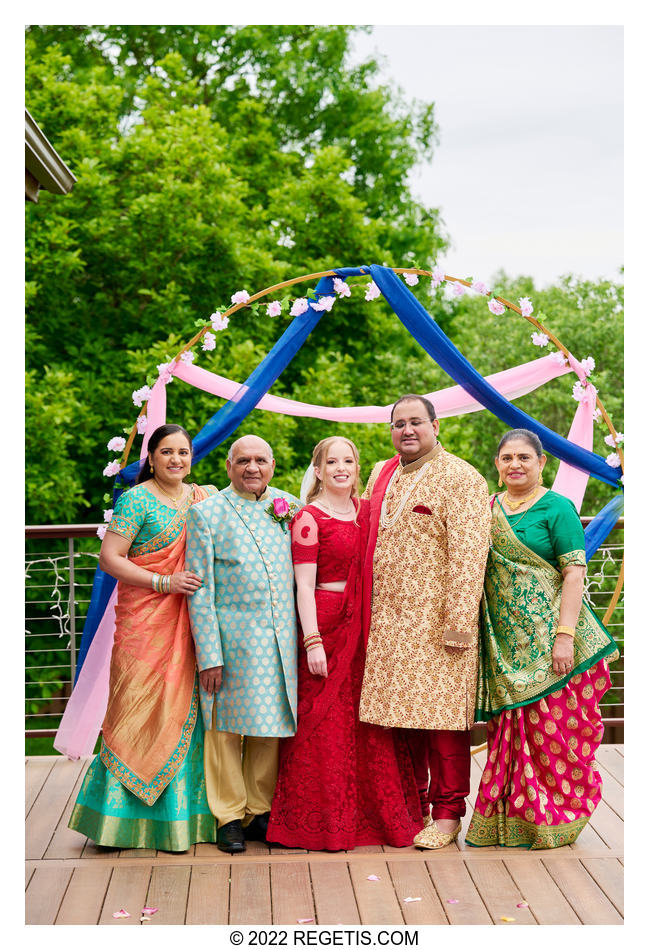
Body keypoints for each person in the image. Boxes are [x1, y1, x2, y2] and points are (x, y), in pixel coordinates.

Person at [465, 428, 618, 849]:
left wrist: (565, 638)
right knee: (509, 736)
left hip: (554, 643)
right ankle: (509, 822)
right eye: (507, 457)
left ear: (541, 463)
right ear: (496, 466)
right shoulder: (485, 509)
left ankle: (555, 817)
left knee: (555, 738)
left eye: (524, 458)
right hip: (506, 649)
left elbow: (574, 573)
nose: (515, 464)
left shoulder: (557, 508)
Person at [267, 438, 422, 850]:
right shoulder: (308, 518)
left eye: (348, 460)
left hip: (369, 625)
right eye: (331, 461)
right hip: (327, 623)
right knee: (326, 724)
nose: (341, 467)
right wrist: (312, 641)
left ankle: (374, 819)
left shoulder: (368, 513)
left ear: (357, 467)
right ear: (317, 470)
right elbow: (301, 587)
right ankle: (324, 822)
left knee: (368, 722)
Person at [68, 424, 218, 850]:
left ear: (192, 458)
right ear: (150, 458)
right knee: (134, 709)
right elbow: (110, 558)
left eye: (183, 453)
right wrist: (163, 583)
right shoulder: (135, 499)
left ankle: (182, 820)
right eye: (166, 452)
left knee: (187, 711)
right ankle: (118, 824)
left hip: (192, 623)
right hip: (145, 621)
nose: (176, 460)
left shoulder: (203, 498)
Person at [359, 395, 492, 850]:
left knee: (443, 724)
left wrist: (458, 624)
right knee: (399, 723)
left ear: (436, 425)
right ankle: (410, 805)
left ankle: (449, 813)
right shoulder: (381, 473)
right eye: (399, 424)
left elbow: (470, 556)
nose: (407, 430)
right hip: (388, 625)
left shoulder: (462, 478)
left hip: (439, 626)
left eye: (416, 422)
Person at [185, 435, 300, 854]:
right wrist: (208, 655)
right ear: (229, 467)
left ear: (272, 465)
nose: (252, 468)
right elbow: (199, 591)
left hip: (280, 642)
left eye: (260, 461)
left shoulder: (291, 508)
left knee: (270, 726)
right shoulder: (206, 514)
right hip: (230, 644)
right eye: (243, 461)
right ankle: (229, 816)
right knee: (224, 730)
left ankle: (259, 810)